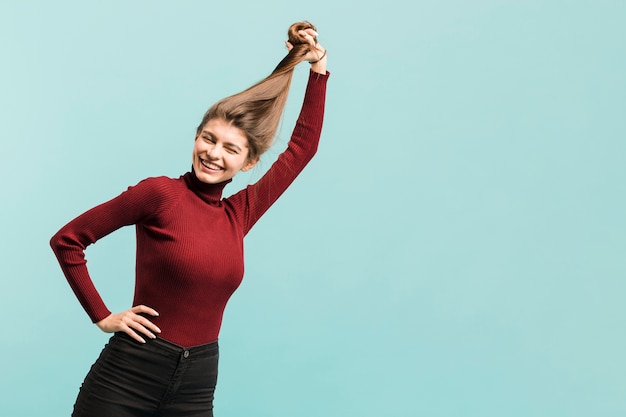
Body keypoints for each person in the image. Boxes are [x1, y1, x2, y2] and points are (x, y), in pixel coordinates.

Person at [50, 21, 329, 417]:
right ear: (196, 136)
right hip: (127, 376)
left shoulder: (240, 213)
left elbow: (302, 148)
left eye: (230, 149)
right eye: (208, 139)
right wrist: (102, 315)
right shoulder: (159, 194)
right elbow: (67, 240)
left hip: (196, 384)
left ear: (247, 163)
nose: (214, 153)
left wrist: (316, 69)